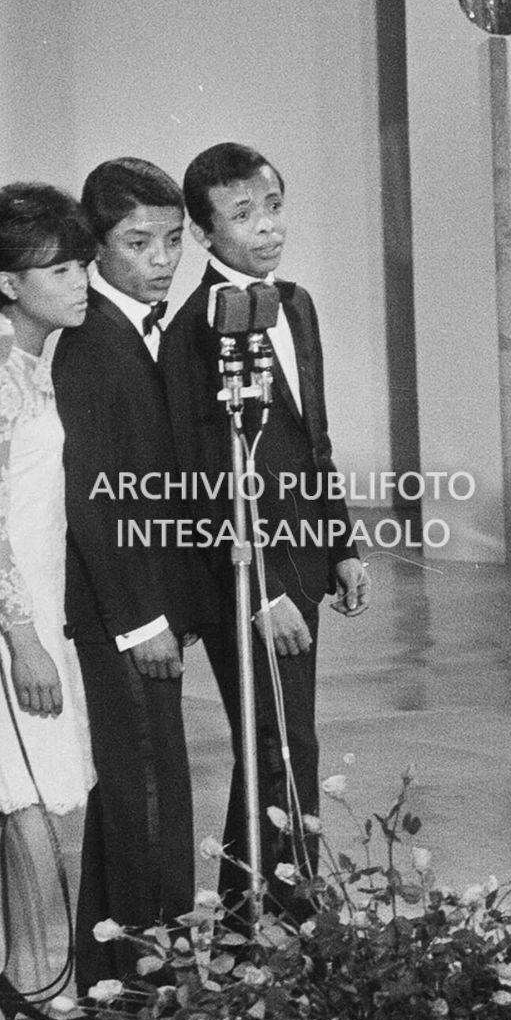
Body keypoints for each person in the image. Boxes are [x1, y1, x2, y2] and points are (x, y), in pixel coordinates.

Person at [159, 142, 370, 918]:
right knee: (283, 742)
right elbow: (202, 478)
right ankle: (294, 913)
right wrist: (261, 592)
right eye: (243, 214)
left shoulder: (298, 304)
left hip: (303, 558)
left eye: (274, 206)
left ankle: (253, 915)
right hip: (245, 577)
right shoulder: (194, 329)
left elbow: (315, 438)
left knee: (279, 740)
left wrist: (341, 544)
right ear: (204, 232)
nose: (267, 226)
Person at [0, 181, 113, 1020]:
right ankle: (45, 980)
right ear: (8, 282)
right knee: (27, 795)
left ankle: (26, 971)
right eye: (60, 269)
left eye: (82, 263)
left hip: (43, 606)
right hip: (7, 620)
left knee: (25, 797)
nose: (80, 280)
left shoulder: (35, 367)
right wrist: (21, 638)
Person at [55, 157, 216, 996]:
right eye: (138, 242)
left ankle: (111, 973)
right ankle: (156, 981)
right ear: (97, 246)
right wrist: (141, 618)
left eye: (173, 240)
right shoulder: (91, 344)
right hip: (122, 611)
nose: (161, 259)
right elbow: (95, 496)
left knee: (136, 790)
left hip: (150, 604)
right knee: (152, 792)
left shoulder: (147, 329)